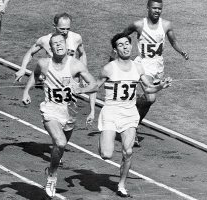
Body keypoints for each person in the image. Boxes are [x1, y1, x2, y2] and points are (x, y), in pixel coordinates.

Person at [89, 33, 172, 197]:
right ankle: (103, 141)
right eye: (121, 45)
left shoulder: (138, 67)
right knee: (106, 154)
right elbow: (94, 87)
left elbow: (148, 88)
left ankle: (121, 185)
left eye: (127, 43)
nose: (125, 47)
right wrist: (80, 92)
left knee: (128, 152)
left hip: (129, 112)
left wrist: (161, 86)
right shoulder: (109, 68)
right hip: (111, 111)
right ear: (115, 49)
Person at [22, 33, 97, 198]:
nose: (58, 45)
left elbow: (94, 84)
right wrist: (27, 91)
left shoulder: (75, 65)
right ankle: (52, 177)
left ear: (66, 44)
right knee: (61, 142)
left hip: (69, 113)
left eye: (61, 42)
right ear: (51, 48)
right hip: (50, 110)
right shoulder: (43, 63)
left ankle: (51, 169)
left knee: (59, 149)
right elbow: (34, 76)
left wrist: (81, 90)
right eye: (54, 43)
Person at [110, 0, 188, 146]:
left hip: (158, 66)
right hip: (143, 64)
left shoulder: (166, 25)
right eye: (154, 8)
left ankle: (132, 122)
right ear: (148, 8)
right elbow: (122, 36)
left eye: (159, 9)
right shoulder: (138, 25)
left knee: (147, 102)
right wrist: (115, 54)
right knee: (151, 98)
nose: (157, 11)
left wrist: (181, 52)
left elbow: (173, 41)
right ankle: (131, 128)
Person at [14, 12, 87, 82]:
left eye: (67, 29)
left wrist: (84, 74)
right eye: (62, 29)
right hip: (52, 80)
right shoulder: (45, 40)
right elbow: (30, 52)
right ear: (54, 26)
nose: (65, 32)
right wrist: (23, 68)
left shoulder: (76, 38)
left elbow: (82, 54)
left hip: (71, 79)